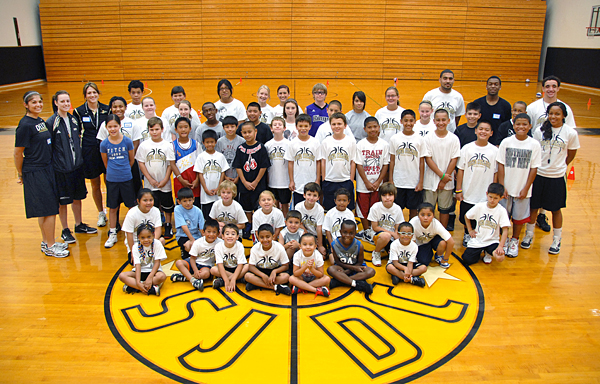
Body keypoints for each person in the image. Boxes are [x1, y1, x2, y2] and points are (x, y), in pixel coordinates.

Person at [14, 91, 69, 258]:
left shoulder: (39, 121)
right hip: (35, 170)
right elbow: (18, 153)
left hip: (47, 169)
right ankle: (51, 245)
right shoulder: (25, 125)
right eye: (33, 103)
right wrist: (21, 174)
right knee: (50, 209)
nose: (38, 105)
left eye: (39, 102)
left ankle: (47, 242)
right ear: (26, 105)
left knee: (45, 209)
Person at [522, 102, 579, 255]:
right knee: (534, 207)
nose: (553, 116)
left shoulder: (570, 133)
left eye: (557, 114)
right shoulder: (539, 131)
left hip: (556, 177)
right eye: (551, 113)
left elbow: (572, 153)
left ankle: (557, 239)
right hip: (539, 174)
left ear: (564, 116)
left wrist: (561, 165)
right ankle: (528, 235)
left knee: (555, 209)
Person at [526, 75, 576, 233]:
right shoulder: (534, 108)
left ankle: (543, 217)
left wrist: (563, 163)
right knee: (535, 201)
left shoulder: (566, 109)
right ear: (542, 88)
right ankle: (529, 232)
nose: (550, 89)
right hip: (539, 166)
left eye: (554, 86)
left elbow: (571, 146)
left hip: (556, 168)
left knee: (554, 205)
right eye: (547, 86)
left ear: (558, 88)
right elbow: (529, 132)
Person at [48, 91, 97, 244]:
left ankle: (79, 224)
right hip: (61, 169)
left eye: (67, 101)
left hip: (77, 167)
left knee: (78, 197)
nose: (66, 104)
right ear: (56, 103)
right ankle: (65, 229)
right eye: (62, 101)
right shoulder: (51, 123)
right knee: (63, 201)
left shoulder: (74, 120)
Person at [497, 113, 541, 258]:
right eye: (518, 124)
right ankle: (501, 241)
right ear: (513, 125)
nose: (521, 127)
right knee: (503, 217)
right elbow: (501, 165)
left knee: (518, 219)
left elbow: (534, 168)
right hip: (506, 190)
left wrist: (526, 188)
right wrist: (502, 185)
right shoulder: (506, 142)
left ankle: (514, 240)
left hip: (523, 190)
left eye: (524, 124)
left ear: (530, 126)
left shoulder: (534, 144)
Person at [72, 82, 110, 227]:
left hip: (106, 150)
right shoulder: (78, 111)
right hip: (89, 151)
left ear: (98, 93)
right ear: (85, 95)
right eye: (89, 93)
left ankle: (112, 209)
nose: (92, 95)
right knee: (95, 184)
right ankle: (101, 213)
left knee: (109, 182)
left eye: (94, 92)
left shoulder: (106, 109)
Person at [456, 120, 498, 247]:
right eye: (481, 129)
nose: (483, 132)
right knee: (466, 215)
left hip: (485, 192)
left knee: (483, 216)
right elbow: (461, 170)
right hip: (469, 190)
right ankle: (467, 234)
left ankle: (481, 236)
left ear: (491, 133)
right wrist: (458, 189)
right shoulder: (467, 148)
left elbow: (496, 172)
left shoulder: (494, 151)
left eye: (486, 130)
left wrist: (494, 191)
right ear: (475, 131)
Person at [136, 117, 176, 239]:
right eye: (152, 129)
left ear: (162, 129)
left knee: (167, 204)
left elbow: (170, 164)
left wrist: (165, 179)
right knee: (152, 204)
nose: (154, 132)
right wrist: (149, 179)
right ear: (148, 130)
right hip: (150, 183)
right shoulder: (144, 145)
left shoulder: (167, 145)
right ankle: (153, 225)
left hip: (165, 183)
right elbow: (141, 163)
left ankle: (168, 224)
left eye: (157, 129)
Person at [100, 114, 136, 248]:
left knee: (131, 206)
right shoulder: (104, 144)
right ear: (106, 128)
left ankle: (135, 231)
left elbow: (131, 160)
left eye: (115, 126)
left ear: (120, 126)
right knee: (113, 207)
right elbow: (106, 162)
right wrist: (113, 172)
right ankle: (113, 232)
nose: (113, 129)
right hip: (112, 179)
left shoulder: (127, 141)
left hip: (126, 178)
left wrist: (124, 170)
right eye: (110, 127)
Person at [97, 96, 143, 194]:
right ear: (111, 108)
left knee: (134, 192)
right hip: (114, 165)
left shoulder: (132, 123)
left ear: (126, 107)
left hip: (129, 163)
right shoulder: (104, 125)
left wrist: (128, 160)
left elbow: (136, 142)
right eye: (115, 107)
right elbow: (103, 145)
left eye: (121, 106)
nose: (118, 109)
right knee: (115, 197)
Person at [423, 109, 460, 228]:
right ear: (433, 121)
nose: (441, 122)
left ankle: (442, 232)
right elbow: (428, 159)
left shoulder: (454, 138)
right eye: (438, 120)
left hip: (447, 181)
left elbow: (454, 159)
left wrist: (444, 179)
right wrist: (442, 176)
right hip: (430, 180)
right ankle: (428, 231)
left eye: (444, 120)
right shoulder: (428, 138)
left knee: (444, 209)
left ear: (449, 120)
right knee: (428, 209)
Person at [233, 121, 271, 238]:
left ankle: (259, 225)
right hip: (244, 184)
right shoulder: (240, 148)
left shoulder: (261, 147)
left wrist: (255, 182)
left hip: (258, 184)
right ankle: (249, 224)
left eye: (250, 132)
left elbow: (264, 166)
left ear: (255, 131)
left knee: (258, 205)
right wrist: (244, 181)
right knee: (247, 206)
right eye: (244, 132)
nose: (247, 134)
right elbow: (238, 166)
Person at [355, 116, 389, 243]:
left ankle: (373, 229)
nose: (372, 129)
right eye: (369, 127)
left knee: (375, 208)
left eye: (375, 126)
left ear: (379, 128)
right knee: (363, 209)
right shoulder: (361, 144)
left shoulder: (384, 144)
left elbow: (385, 164)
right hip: (363, 185)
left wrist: (378, 182)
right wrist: (367, 182)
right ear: (365, 129)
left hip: (377, 184)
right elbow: (359, 164)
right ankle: (366, 230)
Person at [462, 183, 510, 265]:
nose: (492, 200)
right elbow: (467, 216)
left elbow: (505, 230)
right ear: (487, 194)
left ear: (501, 198)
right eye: (490, 197)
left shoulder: (502, 210)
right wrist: (470, 230)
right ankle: (480, 251)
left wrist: (501, 246)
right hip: (478, 240)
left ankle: (488, 253)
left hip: (492, 241)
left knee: (500, 258)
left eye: (495, 198)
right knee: (466, 259)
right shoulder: (480, 206)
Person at [389, 110, 425, 220]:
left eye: (411, 121)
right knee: (397, 209)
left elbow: (422, 162)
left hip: (413, 181)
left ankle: (411, 230)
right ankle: (398, 230)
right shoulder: (394, 139)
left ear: (415, 121)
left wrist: (421, 181)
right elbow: (392, 161)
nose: (408, 123)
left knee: (413, 210)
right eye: (405, 120)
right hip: (399, 180)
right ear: (401, 121)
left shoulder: (420, 139)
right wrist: (391, 179)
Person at [319, 112, 358, 211]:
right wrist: (324, 179)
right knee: (330, 210)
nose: (337, 126)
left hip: (345, 181)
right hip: (329, 181)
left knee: (347, 209)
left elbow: (353, 161)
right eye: (334, 124)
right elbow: (323, 161)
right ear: (330, 126)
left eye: (339, 124)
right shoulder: (326, 142)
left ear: (345, 125)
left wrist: (351, 180)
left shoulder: (351, 141)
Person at [171, 219, 223, 291]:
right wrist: (195, 270)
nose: (211, 234)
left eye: (214, 232)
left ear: (218, 233)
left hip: (206, 266)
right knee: (179, 263)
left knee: (206, 274)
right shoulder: (198, 242)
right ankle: (193, 280)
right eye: (209, 232)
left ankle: (185, 277)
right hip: (194, 262)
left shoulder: (220, 243)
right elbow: (192, 259)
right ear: (203, 232)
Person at [326, 220, 374, 293]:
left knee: (371, 271)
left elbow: (360, 262)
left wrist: (349, 271)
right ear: (340, 232)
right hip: (342, 268)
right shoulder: (334, 244)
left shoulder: (359, 245)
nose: (347, 235)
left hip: (356, 267)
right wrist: (350, 269)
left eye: (351, 233)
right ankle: (356, 284)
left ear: (355, 233)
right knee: (331, 269)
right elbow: (338, 262)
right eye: (345, 232)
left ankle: (340, 281)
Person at [119, 223, 166, 296]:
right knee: (122, 276)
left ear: (153, 235)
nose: (146, 240)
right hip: (140, 272)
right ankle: (149, 288)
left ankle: (134, 287)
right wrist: (138, 282)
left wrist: (150, 278)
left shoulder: (157, 244)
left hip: (154, 273)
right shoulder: (135, 247)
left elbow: (157, 263)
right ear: (138, 238)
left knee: (162, 276)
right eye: (143, 237)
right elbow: (137, 266)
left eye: (149, 237)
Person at [245, 224, 292, 295]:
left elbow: (286, 266)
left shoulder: (279, 247)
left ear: (273, 237)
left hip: (275, 271)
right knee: (247, 276)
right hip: (260, 271)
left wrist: (274, 271)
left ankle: (257, 284)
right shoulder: (255, 248)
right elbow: (251, 267)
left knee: (286, 277)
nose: (265, 240)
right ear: (257, 237)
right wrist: (262, 275)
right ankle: (275, 287)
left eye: (268, 237)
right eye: (262, 237)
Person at [285, 114, 320, 208]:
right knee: (298, 210)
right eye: (300, 126)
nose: (303, 128)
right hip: (298, 183)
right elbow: (290, 163)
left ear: (310, 127)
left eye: (306, 126)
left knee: (313, 208)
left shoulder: (315, 142)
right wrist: (291, 180)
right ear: (296, 127)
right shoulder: (292, 143)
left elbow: (318, 162)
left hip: (312, 181)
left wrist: (317, 179)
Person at [193, 129, 228, 219]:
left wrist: (219, 188)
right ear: (203, 143)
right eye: (207, 142)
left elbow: (222, 172)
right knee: (207, 215)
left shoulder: (220, 156)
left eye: (212, 142)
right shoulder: (201, 157)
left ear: (216, 142)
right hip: (206, 194)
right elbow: (200, 174)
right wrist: (205, 189)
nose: (210, 144)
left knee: (219, 213)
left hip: (218, 193)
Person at [122, 189, 164, 264]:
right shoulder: (132, 213)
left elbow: (158, 229)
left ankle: (152, 255)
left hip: (150, 241)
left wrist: (152, 242)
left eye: (151, 200)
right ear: (138, 201)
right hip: (136, 244)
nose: (148, 203)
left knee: (161, 241)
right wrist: (132, 251)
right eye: (145, 200)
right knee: (136, 263)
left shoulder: (156, 211)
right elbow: (129, 234)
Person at [368, 182, 404, 267]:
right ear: (380, 196)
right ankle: (376, 252)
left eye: (390, 195)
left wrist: (396, 238)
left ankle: (389, 250)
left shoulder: (397, 209)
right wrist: (392, 234)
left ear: (394, 196)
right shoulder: (375, 207)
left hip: (392, 236)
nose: (387, 198)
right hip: (378, 234)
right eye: (384, 195)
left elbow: (398, 227)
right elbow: (375, 227)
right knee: (386, 236)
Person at [410, 203, 455, 269]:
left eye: (429, 215)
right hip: (420, 244)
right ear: (418, 215)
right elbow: (412, 243)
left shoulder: (436, 224)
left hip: (433, 240)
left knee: (443, 243)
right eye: (422, 215)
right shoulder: (413, 223)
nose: (425, 218)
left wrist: (445, 259)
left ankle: (439, 255)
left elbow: (451, 242)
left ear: (433, 215)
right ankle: (428, 252)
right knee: (423, 261)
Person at [171, 117, 201, 207]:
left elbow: (200, 163)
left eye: (186, 127)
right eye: (180, 127)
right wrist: (181, 180)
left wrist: (197, 180)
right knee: (181, 205)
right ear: (176, 130)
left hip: (194, 182)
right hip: (179, 181)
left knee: (195, 205)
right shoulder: (172, 145)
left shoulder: (196, 144)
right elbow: (172, 164)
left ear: (190, 129)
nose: (183, 130)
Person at [385, 222, 426, 287]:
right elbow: (395, 263)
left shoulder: (414, 246)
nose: (406, 236)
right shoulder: (394, 244)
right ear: (398, 234)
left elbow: (410, 263)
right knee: (389, 267)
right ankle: (412, 279)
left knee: (423, 268)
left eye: (409, 233)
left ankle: (399, 277)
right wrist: (405, 269)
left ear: (412, 235)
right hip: (397, 264)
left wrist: (408, 271)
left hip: (408, 264)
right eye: (403, 233)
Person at [474, 76, 512, 145]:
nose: (493, 86)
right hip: (480, 141)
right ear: (486, 86)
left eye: (496, 84)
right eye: (490, 84)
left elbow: (507, 126)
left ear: (500, 87)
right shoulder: (477, 103)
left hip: (497, 143)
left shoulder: (505, 106)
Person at [211, 223, 249, 292]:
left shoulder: (239, 245)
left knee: (247, 266)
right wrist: (226, 281)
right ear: (222, 236)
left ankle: (222, 280)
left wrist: (233, 279)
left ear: (237, 237)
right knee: (213, 270)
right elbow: (220, 265)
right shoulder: (218, 246)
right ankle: (239, 279)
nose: (230, 236)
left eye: (233, 234)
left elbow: (240, 265)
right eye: (227, 234)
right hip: (225, 269)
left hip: (237, 269)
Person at [266, 117, 291, 216]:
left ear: (284, 128)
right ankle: (276, 222)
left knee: (285, 203)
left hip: (285, 181)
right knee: (274, 204)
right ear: (271, 128)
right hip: (272, 180)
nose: (277, 126)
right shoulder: (268, 145)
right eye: (275, 124)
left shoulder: (289, 144)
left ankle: (285, 223)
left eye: (280, 124)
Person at [323, 188, 355, 264]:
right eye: (339, 200)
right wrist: (332, 245)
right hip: (334, 242)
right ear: (335, 201)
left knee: (352, 261)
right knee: (333, 261)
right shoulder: (330, 213)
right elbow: (327, 231)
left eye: (344, 200)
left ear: (349, 201)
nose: (341, 203)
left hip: (347, 242)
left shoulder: (350, 214)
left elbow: (353, 231)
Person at [294, 182, 326, 255]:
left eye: (314, 195)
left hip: (317, 235)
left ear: (318, 198)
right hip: (303, 233)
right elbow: (299, 224)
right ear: (304, 195)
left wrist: (320, 245)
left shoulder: (320, 209)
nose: (311, 198)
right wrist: (310, 238)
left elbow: (319, 228)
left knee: (323, 255)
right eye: (309, 195)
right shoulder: (298, 207)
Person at [174, 187, 205, 259]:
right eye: (184, 201)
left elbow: (201, 228)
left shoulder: (198, 211)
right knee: (189, 246)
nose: (188, 203)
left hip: (196, 235)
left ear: (193, 199)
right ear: (179, 201)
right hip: (183, 236)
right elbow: (183, 226)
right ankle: (184, 250)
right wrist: (192, 239)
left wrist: (205, 240)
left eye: (190, 200)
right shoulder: (177, 209)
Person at [216, 116, 244, 185]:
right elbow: (218, 160)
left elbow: (243, 160)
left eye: (232, 126)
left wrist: (238, 177)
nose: (230, 129)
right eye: (227, 127)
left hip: (238, 176)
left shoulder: (242, 141)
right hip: (224, 176)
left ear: (237, 127)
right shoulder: (220, 142)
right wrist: (225, 177)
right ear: (223, 128)